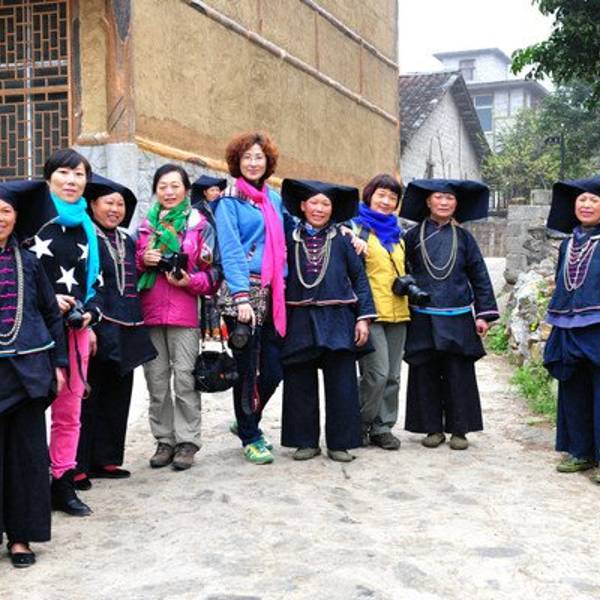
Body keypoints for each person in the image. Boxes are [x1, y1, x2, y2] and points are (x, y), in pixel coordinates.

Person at [6, 148, 102, 517]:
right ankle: (24, 489)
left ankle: (62, 482)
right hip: (29, 334)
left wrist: (90, 313)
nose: (72, 181)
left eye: (79, 175)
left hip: (74, 331)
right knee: (26, 412)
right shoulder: (29, 222)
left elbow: (97, 282)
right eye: (64, 172)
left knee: (69, 411)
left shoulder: (88, 227)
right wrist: (48, 299)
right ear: (48, 178)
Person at [280, 179, 376, 462]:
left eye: (325, 204)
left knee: (342, 384)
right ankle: (305, 442)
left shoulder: (345, 239)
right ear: (302, 206)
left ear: (333, 209)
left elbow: (359, 279)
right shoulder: (289, 237)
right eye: (314, 203)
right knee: (299, 382)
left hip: (338, 319)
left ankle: (340, 443)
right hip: (299, 317)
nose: (319, 209)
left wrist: (363, 319)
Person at [401, 179, 499, 450]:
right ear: (428, 201)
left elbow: (479, 276)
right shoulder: (411, 237)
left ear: (456, 204)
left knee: (459, 374)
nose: (444, 202)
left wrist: (483, 314)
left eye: (450, 198)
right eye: (438, 197)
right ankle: (432, 428)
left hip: (457, 315)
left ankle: (459, 430)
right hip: (422, 315)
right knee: (425, 372)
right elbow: (401, 271)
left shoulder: (465, 238)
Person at [74, 175, 157, 490]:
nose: (115, 209)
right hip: (98, 325)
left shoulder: (128, 240)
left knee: (118, 394)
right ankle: (78, 466)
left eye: (120, 204)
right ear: (93, 204)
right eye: (108, 202)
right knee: (89, 395)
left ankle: (106, 459)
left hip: (128, 327)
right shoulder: (85, 237)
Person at [136, 164, 219, 471]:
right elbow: (130, 267)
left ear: (186, 190)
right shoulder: (145, 226)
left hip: (185, 313)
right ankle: (164, 440)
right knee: (156, 381)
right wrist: (142, 259)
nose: (169, 192)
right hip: (150, 312)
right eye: (163, 187)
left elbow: (214, 273)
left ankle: (187, 441)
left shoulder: (199, 225)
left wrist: (189, 281)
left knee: (185, 379)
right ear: (155, 190)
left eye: (175, 186)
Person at [0, 188, 67, 568]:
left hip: (27, 374)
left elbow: (51, 314)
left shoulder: (29, 262)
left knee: (26, 458)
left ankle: (21, 537)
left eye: (5, 211)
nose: (0, 218)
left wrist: (59, 364)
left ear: (16, 218)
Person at [214, 132, 288, 465]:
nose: (253, 163)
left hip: (274, 290)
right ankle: (250, 435)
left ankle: (247, 419)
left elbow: (289, 233)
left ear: (268, 161)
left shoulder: (273, 199)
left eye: (259, 157)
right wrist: (242, 297)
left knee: (274, 368)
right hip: (241, 294)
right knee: (246, 370)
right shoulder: (229, 200)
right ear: (237, 162)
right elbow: (230, 249)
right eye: (247, 157)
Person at [543, 176, 600, 480]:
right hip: (567, 326)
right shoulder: (568, 244)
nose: (586, 205)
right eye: (582, 200)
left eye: (594, 200)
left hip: (597, 329)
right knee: (573, 390)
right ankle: (580, 451)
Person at [353, 173, 408, 450]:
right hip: (371, 313)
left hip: (399, 312)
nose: (386, 202)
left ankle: (382, 427)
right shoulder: (355, 229)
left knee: (393, 376)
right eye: (381, 195)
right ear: (369, 196)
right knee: (377, 374)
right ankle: (359, 423)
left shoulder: (398, 234)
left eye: (392, 197)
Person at [191, 175, 228, 339]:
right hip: (205, 257)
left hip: (221, 256)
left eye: (218, 190)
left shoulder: (223, 208)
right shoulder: (197, 211)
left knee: (217, 299)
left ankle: (216, 329)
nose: (216, 193)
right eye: (213, 190)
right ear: (205, 192)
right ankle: (203, 330)